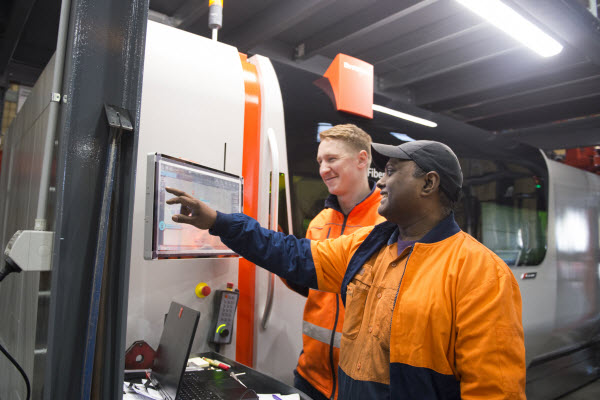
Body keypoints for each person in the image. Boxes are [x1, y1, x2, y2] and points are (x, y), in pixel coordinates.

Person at [165, 140, 526, 399]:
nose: (380, 182)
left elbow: (496, 390)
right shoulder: (369, 246)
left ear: (429, 184)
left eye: (390, 172)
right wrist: (219, 221)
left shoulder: (480, 273)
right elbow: (293, 255)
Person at [283, 124, 385, 400]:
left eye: (332, 159)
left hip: (362, 382)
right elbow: (311, 287)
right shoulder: (318, 223)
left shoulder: (388, 223)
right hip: (309, 377)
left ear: (362, 159)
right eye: (320, 161)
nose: (323, 169)